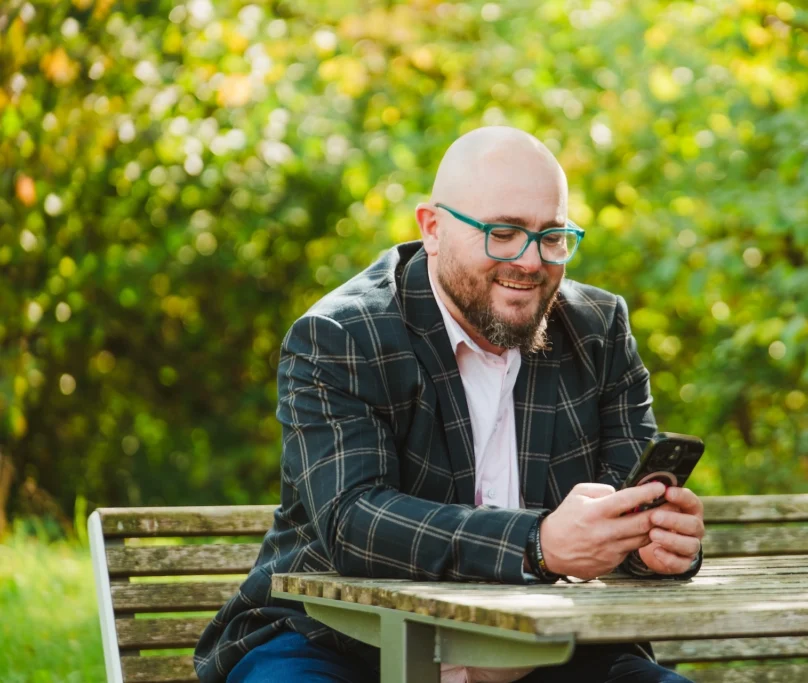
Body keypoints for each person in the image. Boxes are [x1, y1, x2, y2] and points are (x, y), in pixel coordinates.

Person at [194, 126, 705, 683]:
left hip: (543, 653)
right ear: (433, 228)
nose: (531, 261)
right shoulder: (340, 335)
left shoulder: (598, 331)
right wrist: (538, 544)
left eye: (552, 235)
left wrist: (653, 543)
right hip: (338, 642)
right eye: (503, 232)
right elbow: (353, 521)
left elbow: (620, 504)